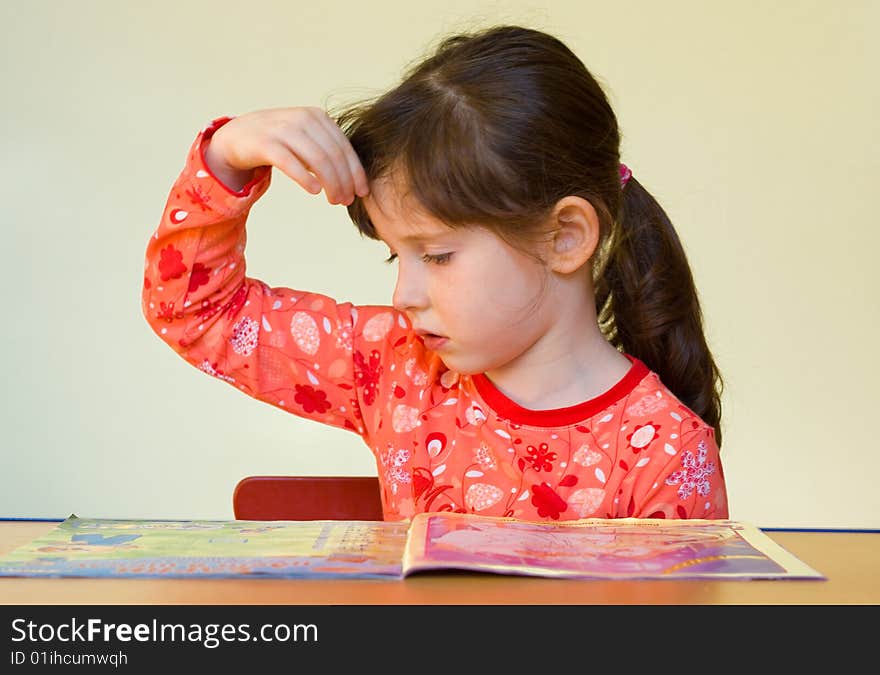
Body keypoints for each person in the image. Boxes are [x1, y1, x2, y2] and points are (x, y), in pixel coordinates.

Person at [142, 24, 729, 522]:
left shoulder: (668, 454)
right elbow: (194, 313)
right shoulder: (391, 367)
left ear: (565, 236)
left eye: (438, 255)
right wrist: (225, 158)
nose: (404, 295)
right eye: (399, 256)